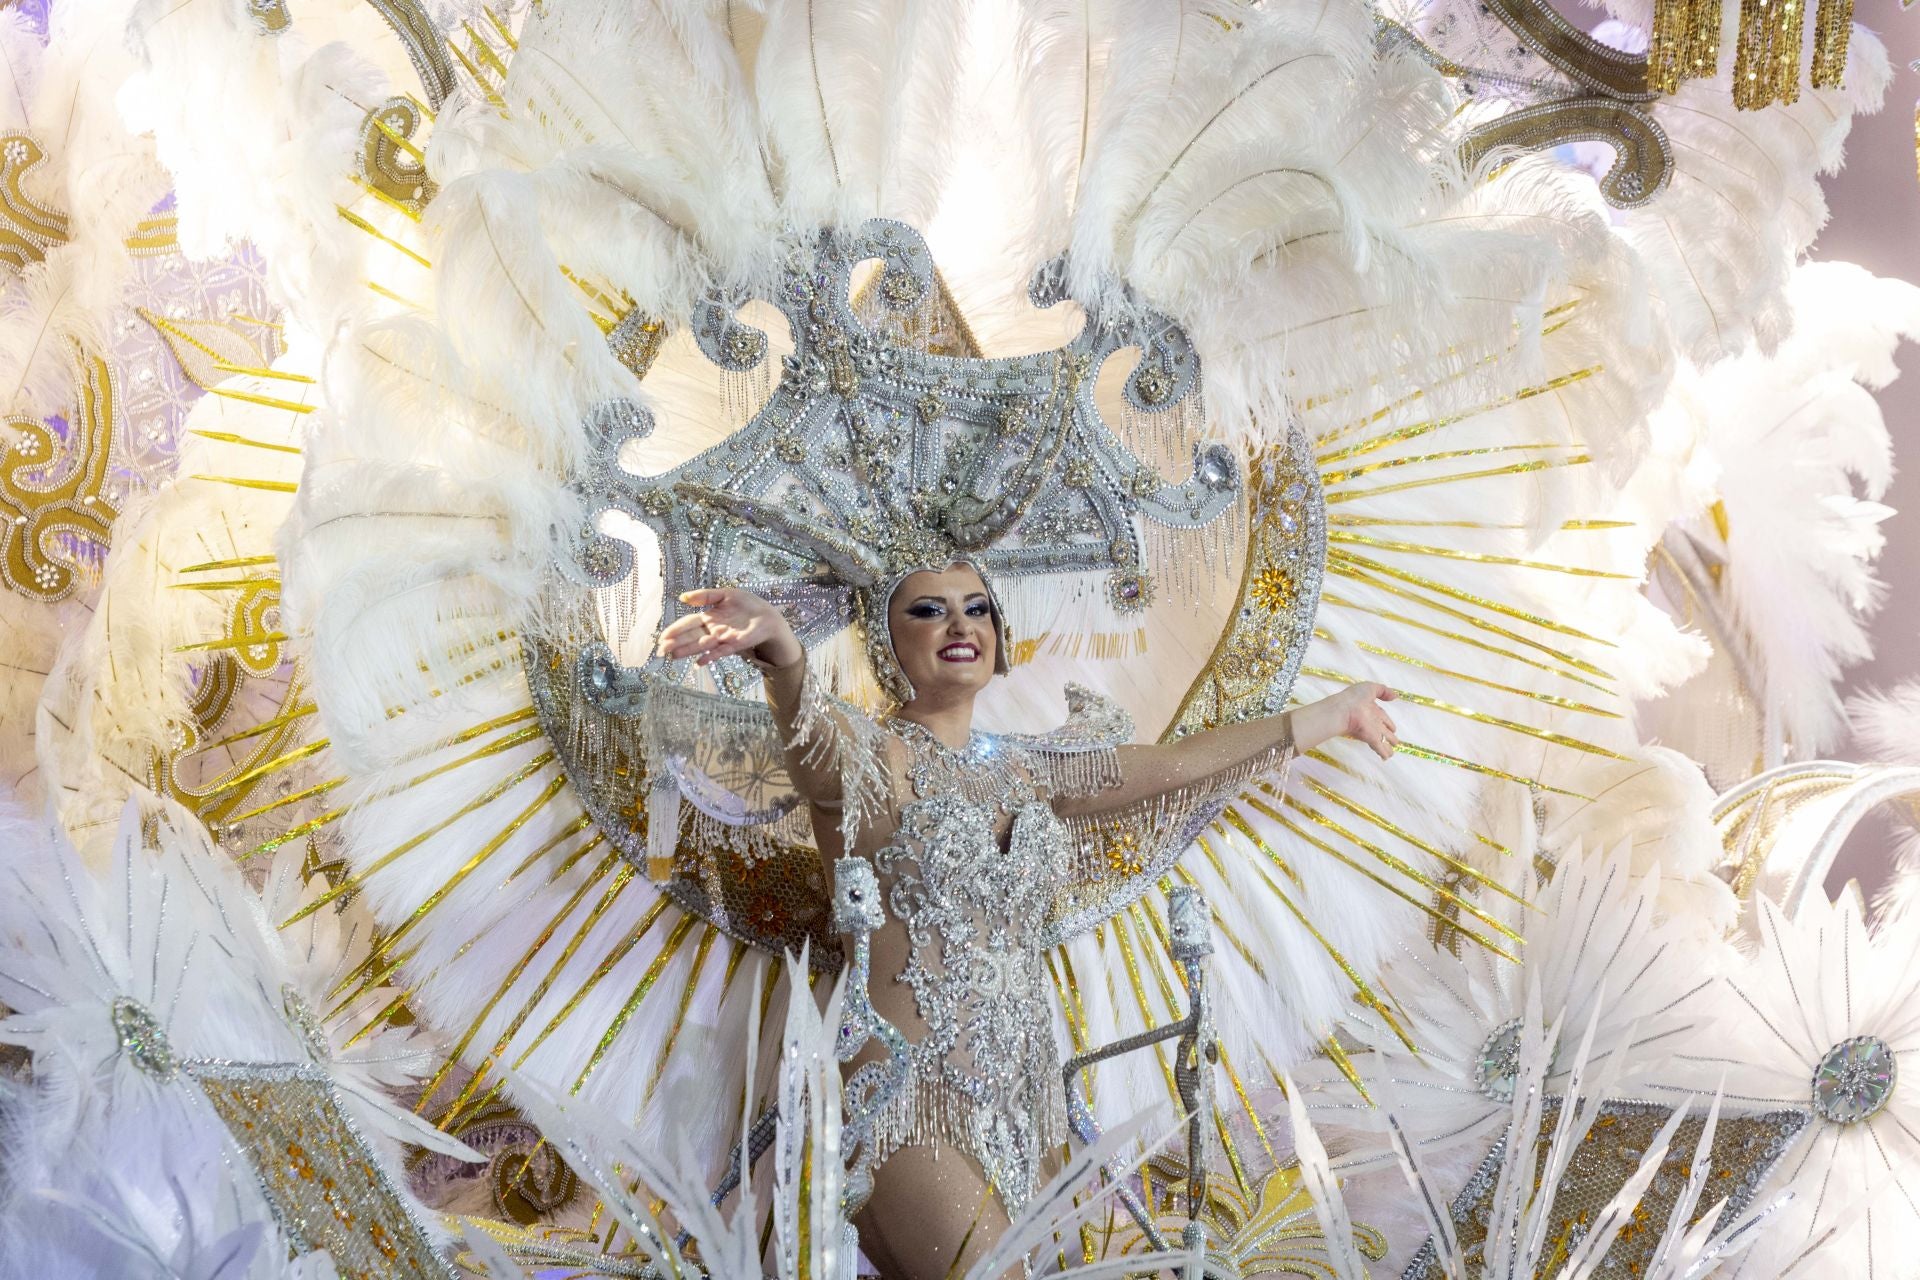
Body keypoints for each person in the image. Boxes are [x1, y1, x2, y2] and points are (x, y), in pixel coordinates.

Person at [658, 561, 1398, 1279]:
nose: (958, 624)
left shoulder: (1030, 773)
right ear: (891, 646)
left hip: (1028, 1107)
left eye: (976, 608)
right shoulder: (872, 758)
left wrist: (1331, 714)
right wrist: (783, 654)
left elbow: (1173, 767)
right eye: (928, 609)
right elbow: (811, 740)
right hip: (906, 1101)